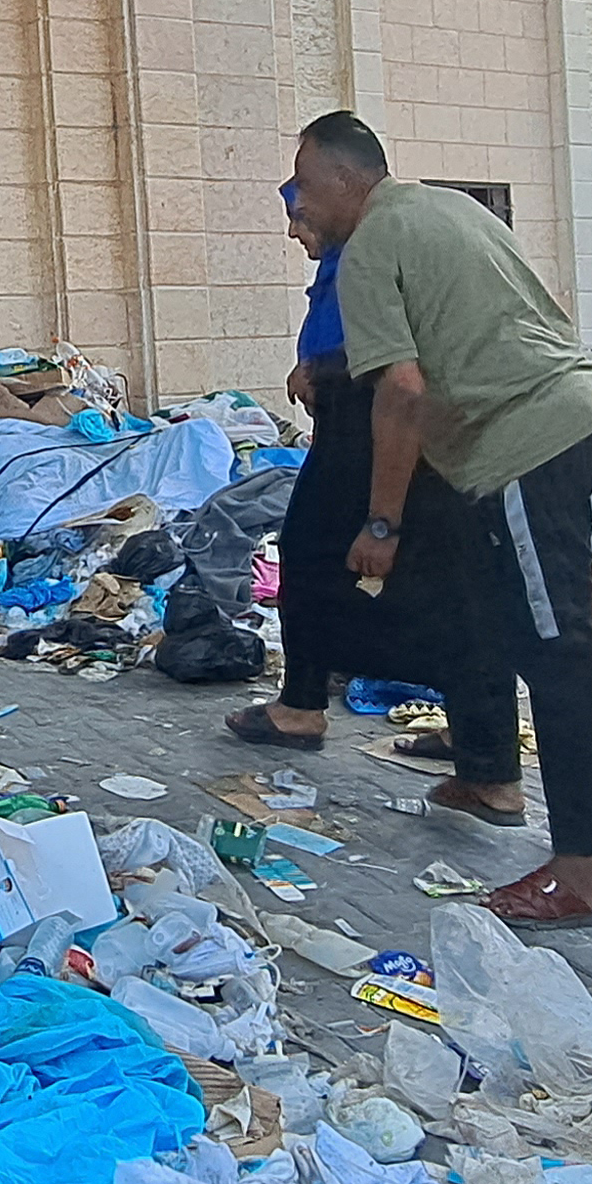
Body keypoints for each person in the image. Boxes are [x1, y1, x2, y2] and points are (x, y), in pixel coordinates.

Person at [284, 110, 592, 928]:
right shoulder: (446, 208)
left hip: (525, 442)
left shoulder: (367, 248)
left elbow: (401, 393)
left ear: (342, 177)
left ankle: (585, 873)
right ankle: (487, 778)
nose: (298, 199)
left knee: (556, 648)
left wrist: (380, 524)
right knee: (492, 611)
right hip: (560, 417)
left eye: (303, 180)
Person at [223, 176, 446, 752]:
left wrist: (322, 372)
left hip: (373, 426)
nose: (295, 232)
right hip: (357, 424)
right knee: (394, 567)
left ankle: (302, 705)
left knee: (315, 550)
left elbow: (394, 359)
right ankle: (480, 747)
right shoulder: (344, 262)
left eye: (301, 217)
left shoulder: (370, 254)